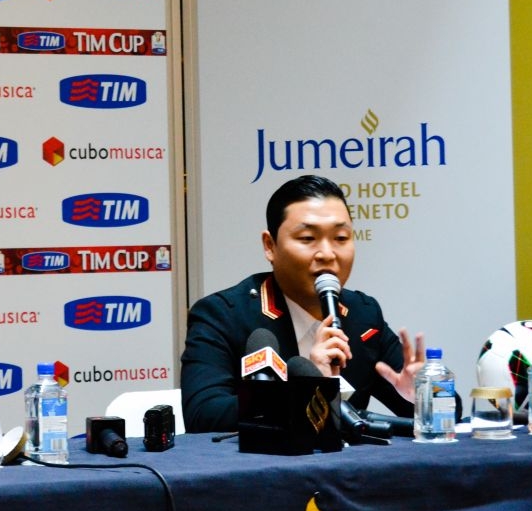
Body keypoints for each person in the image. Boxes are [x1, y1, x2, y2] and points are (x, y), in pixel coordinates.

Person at [180, 174, 425, 433]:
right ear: (270, 246)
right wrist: (305, 386)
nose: (327, 254)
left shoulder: (363, 315)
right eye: (308, 238)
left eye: (341, 238)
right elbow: (202, 414)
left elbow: (437, 415)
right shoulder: (222, 315)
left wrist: (423, 395)